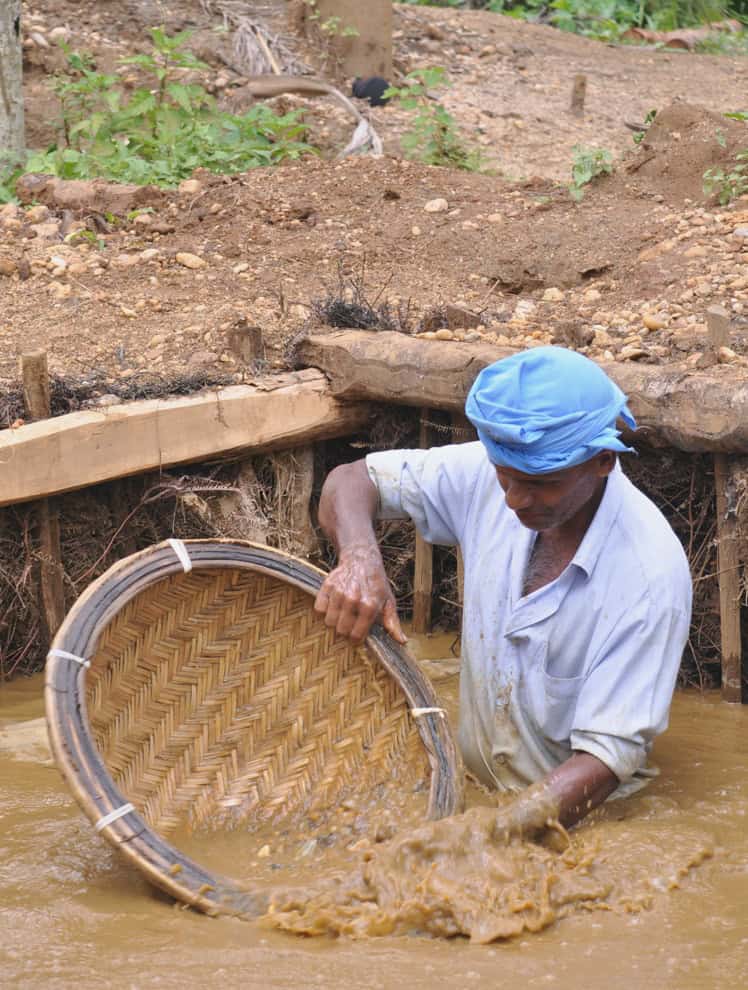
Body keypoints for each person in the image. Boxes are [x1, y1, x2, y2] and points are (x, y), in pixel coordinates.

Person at [314, 346, 692, 838]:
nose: (513, 499)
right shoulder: (492, 471)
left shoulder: (648, 576)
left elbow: (603, 762)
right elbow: (348, 482)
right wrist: (360, 556)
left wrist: (482, 840)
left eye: (539, 484)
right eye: (504, 476)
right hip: (480, 793)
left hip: (589, 823)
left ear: (602, 462)